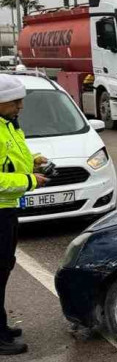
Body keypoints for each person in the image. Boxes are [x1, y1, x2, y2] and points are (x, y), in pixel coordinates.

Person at [0, 74, 50, 355]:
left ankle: (2, 326)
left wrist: (34, 161)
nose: (20, 106)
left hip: (7, 208)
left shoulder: (8, 125)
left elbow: (8, 162)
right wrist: (31, 181)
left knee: (4, 268)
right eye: (15, 102)